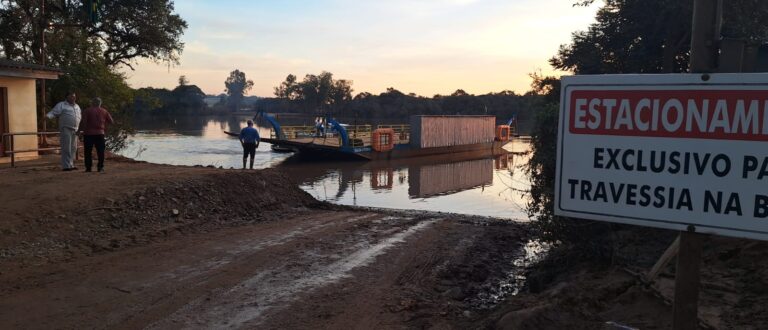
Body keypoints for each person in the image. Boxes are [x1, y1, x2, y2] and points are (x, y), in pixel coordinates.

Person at [47, 91, 82, 171]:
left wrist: (79, 128)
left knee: (73, 148)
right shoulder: (62, 105)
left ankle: (71, 164)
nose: (73, 97)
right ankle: (66, 166)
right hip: (65, 128)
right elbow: (53, 112)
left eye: (74, 96)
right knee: (66, 148)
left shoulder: (77, 106)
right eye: (71, 96)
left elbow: (79, 117)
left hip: (75, 129)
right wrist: (48, 116)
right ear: (67, 97)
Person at [79, 97, 114, 173]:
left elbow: (84, 123)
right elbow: (111, 121)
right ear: (100, 103)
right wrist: (104, 127)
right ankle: (100, 167)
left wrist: (81, 132)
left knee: (88, 151)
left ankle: (88, 168)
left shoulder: (87, 110)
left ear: (92, 102)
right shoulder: (104, 111)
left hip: (88, 134)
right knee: (100, 151)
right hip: (100, 133)